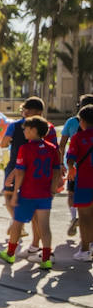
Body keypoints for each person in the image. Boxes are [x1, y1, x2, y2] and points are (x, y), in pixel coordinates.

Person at [0, 116, 62, 268]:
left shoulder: (25, 148)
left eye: (26, 129)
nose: (24, 132)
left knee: (17, 224)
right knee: (45, 227)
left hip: (27, 193)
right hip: (45, 194)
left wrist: (14, 194)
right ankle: (46, 259)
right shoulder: (52, 148)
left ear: (33, 130)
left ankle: (10, 253)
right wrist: (52, 190)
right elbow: (56, 172)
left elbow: (21, 172)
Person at [0, 96, 45, 220]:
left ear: (29, 111)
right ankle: (33, 235)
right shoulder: (46, 127)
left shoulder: (15, 125)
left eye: (24, 109)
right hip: (38, 167)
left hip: (16, 164)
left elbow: (3, 143)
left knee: (9, 195)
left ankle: (17, 223)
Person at [59, 94, 93, 239]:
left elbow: (62, 144)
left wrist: (62, 163)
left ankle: (74, 217)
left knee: (72, 194)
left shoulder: (72, 122)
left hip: (76, 168)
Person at [66, 104, 93, 260]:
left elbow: (71, 158)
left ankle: (84, 250)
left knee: (84, 216)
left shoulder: (77, 137)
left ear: (81, 121)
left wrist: (71, 168)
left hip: (84, 181)